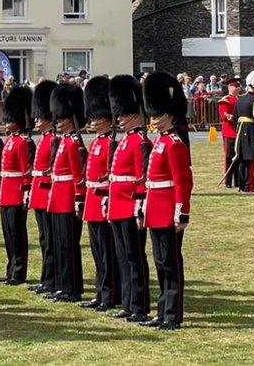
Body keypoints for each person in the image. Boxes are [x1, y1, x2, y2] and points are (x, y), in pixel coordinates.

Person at [141, 71, 194, 330]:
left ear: (169, 115)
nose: (154, 119)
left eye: (158, 114)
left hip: (168, 211)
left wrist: (181, 213)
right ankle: (162, 311)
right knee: (160, 263)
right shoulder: (160, 141)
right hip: (155, 208)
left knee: (171, 264)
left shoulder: (174, 143)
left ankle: (173, 314)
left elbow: (183, 180)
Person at [106, 74, 152, 323]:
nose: (119, 119)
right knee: (123, 258)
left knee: (135, 258)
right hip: (117, 205)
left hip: (130, 206)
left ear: (134, 114)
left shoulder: (140, 141)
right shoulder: (124, 141)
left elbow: (142, 177)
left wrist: (139, 206)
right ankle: (127, 302)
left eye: (122, 115)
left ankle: (139, 305)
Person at [80, 76, 120, 312]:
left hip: (104, 200)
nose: (92, 121)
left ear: (106, 118)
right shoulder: (96, 142)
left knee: (107, 252)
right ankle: (100, 292)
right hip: (92, 201)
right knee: (97, 252)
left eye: (96, 118)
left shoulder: (110, 143)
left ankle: (110, 293)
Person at [46, 84, 86, 303]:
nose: (57, 122)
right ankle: (63, 285)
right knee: (60, 245)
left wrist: (79, 201)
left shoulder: (73, 143)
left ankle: (72, 288)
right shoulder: (64, 141)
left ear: (70, 118)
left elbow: (78, 176)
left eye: (61, 118)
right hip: (59, 199)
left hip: (69, 200)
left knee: (69, 246)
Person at [0, 86, 32, 287]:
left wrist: (26, 193)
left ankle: (19, 271)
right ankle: (10, 269)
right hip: (7, 191)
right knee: (8, 234)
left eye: (9, 119)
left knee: (17, 234)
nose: (6, 122)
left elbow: (25, 171)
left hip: (17, 192)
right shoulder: (10, 141)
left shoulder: (23, 142)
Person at [27, 80, 58, 296]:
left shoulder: (54, 139)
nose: (36, 120)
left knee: (51, 239)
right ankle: (46, 278)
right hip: (40, 192)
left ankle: (52, 279)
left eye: (39, 116)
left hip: (48, 193)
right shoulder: (45, 138)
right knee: (44, 238)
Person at [234, 71, 254, 193]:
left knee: (242, 159)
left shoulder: (240, 99)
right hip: (251, 131)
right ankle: (249, 186)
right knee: (251, 160)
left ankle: (242, 185)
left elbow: (235, 117)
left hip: (241, 130)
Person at [217, 77, 241, 188]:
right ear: (229, 87)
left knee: (239, 157)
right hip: (229, 132)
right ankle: (228, 181)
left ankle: (238, 180)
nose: (237, 88)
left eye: (238, 86)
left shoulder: (240, 99)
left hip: (239, 132)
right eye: (235, 86)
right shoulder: (225, 100)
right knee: (229, 157)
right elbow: (225, 116)